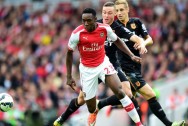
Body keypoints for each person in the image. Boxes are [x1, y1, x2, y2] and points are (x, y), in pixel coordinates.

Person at [94, 0, 185, 126]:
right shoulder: (114, 26)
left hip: (136, 66)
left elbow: (149, 39)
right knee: (150, 94)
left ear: (127, 10)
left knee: (128, 98)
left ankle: (100, 104)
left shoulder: (136, 22)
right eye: (117, 11)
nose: (119, 13)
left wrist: (143, 43)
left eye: (121, 10)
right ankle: (169, 124)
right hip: (123, 67)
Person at [54, 7, 144, 126]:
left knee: (121, 93)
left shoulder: (104, 29)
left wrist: (131, 55)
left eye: (89, 20)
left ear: (96, 19)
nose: (86, 23)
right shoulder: (77, 33)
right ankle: (65, 117)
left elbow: (117, 41)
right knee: (90, 107)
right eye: (83, 20)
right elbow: (69, 53)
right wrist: (69, 77)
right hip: (87, 70)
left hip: (103, 64)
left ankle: (139, 124)